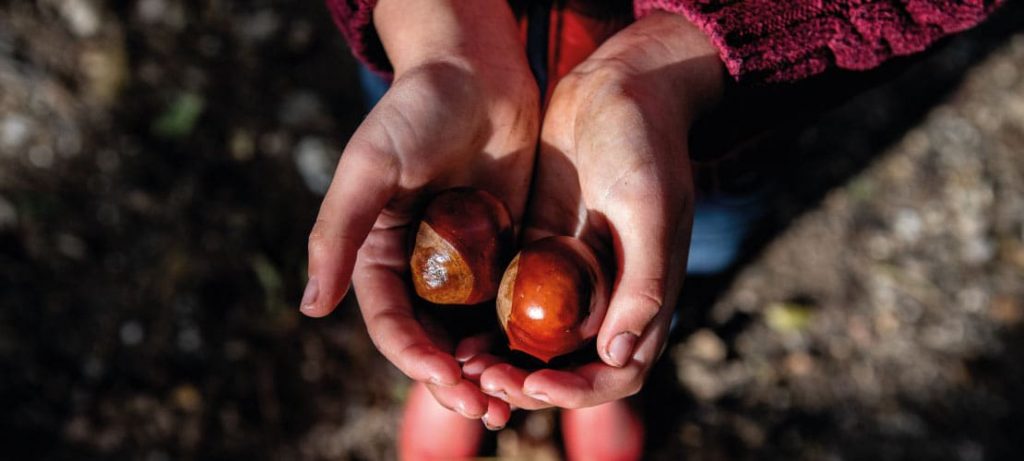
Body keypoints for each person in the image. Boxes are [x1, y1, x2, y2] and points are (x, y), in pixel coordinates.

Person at [300, 1, 1004, 459]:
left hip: (710, 100)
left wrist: (677, 60)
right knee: (443, 181)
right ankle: (451, 367)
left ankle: (609, 360)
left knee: (673, 247)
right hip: (449, 68)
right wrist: (434, 31)